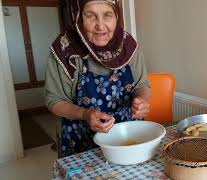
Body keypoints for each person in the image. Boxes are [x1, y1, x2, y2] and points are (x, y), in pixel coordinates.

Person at [45, 0, 150, 158]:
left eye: (107, 15)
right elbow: (54, 100)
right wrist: (85, 114)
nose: (100, 26)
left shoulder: (127, 45)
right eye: (91, 16)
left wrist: (141, 99)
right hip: (80, 143)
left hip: (127, 138)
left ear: (116, 16)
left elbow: (142, 85)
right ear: (79, 17)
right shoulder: (65, 50)